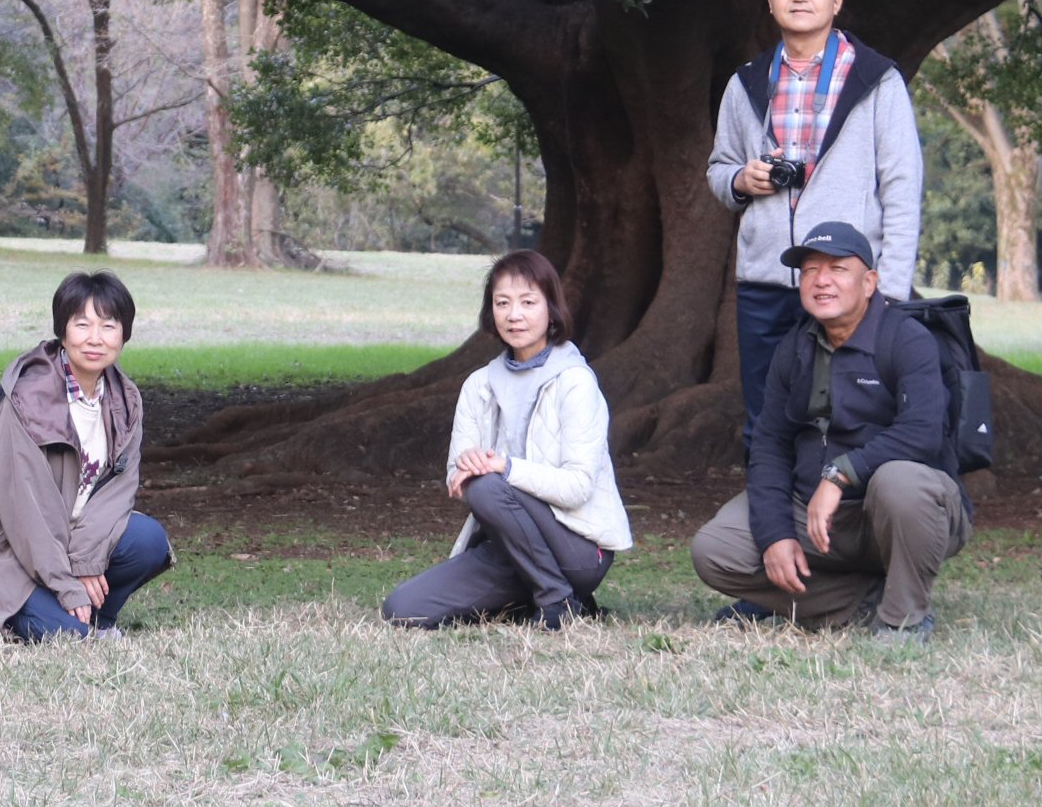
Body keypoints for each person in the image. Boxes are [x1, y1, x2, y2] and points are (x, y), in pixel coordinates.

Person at [688, 221, 969, 641]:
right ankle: (862, 600)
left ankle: (904, 618)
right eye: (810, 271)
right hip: (813, 516)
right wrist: (775, 535)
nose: (821, 280)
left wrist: (840, 474)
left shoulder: (907, 339)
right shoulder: (795, 345)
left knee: (901, 482)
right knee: (714, 550)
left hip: (892, 510)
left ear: (869, 282)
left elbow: (922, 433)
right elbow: (770, 444)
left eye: (837, 269)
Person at [706, 0, 925, 435]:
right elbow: (718, 170)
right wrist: (741, 180)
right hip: (765, 283)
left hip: (846, 282)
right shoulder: (746, 83)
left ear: (836, 0)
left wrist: (889, 287)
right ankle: (768, 490)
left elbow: (902, 187)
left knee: (851, 418)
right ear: (770, 1)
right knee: (765, 423)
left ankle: (840, 491)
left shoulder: (876, 80)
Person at [382, 251, 632, 631]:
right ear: (491, 312)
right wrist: (467, 466)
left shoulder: (575, 382)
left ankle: (557, 598)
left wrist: (504, 467)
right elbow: (458, 476)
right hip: (507, 547)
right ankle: (552, 598)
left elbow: (579, 487)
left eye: (528, 302)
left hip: (578, 547)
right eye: (503, 303)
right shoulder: (478, 385)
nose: (514, 315)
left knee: (487, 486)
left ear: (551, 310)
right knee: (403, 609)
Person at [0, 271, 174, 641]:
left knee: (148, 541)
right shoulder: (24, 401)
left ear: (124, 334)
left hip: (74, 542)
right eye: (82, 324)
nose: (95, 338)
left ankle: (95, 618)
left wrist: (86, 560)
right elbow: (25, 514)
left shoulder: (125, 401)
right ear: (63, 330)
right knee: (71, 639)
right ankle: (71, 617)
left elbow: (119, 492)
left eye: (109, 326)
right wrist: (66, 583)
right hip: (12, 551)